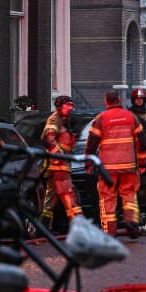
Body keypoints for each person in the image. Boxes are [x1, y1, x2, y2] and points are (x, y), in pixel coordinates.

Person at [85, 91, 146, 237]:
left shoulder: (101, 118)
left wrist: (89, 163)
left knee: (108, 199)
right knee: (129, 195)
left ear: (106, 102)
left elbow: (92, 143)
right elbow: (142, 142)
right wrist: (142, 163)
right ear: (119, 100)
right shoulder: (130, 117)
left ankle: (110, 232)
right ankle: (130, 221)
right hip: (128, 166)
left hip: (108, 169)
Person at [40, 95, 83, 231]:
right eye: (68, 105)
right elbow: (49, 140)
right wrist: (61, 155)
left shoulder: (64, 120)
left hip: (60, 165)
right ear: (60, 106)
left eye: (72, 105)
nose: (71, 108)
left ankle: (43, 226)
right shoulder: (54, 119)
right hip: (58, 165)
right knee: (67, 194)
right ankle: (78, 225)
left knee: (50, 198)